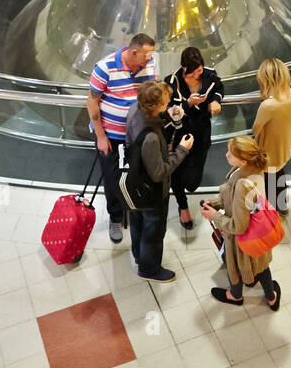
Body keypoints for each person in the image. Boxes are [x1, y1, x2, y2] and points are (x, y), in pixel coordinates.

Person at [87, 33, 157, 244]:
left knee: (137, 175)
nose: (150, 59)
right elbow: (92, 102)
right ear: (134, 52)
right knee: (112, 179)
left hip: (136, 136)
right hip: (111, 138)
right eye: (147, 55)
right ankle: (115, 217)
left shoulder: (148, 65)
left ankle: (135, 209)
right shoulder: (105, 68)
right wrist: (100, 136)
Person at [121, 81, 193, 282]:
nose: (169, 102)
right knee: (153, 231)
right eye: (165, 101)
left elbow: (131, 143)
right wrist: (182, 149)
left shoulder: (134, 109)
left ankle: (139, 255)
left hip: (134, 185)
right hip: (151, 192)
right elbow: (159, 173)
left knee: (137, 223)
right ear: (154, 106)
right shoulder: (152, 137)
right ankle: (149, 269)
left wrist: (166, 119)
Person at [200, 137, 281, 310]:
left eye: (231, 154)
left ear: (243, 161)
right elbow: (234, 201)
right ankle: (271, 297)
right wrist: (215, 203)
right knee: (262, 267)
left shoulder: (243, 184)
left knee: (234, 266)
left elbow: (238, 227)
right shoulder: (253, 168)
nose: (226, 155)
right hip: (257, 234)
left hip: (241, 241)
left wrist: (215, 216)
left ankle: (235, 296)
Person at [163, 47, 223, 228]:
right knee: (175, 170)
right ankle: (183, 207)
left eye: (200, 70)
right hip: (178, 133)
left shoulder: (209, 76)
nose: (199, 74)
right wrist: (188, 103)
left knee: (193, 177)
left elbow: (219, 87)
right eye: (194, 72)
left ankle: (188, 187)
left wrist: (215, 101)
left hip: (202, 132)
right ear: (184, 69)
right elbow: (169, 110)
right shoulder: (172, 82)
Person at [252, 58, 291, 215]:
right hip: (287, 147)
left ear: (265, 80)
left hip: (267, 153)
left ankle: (271, 213)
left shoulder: (267, 106)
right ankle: (282, 206)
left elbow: (255, 130)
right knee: (278, 173)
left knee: (267, 180)